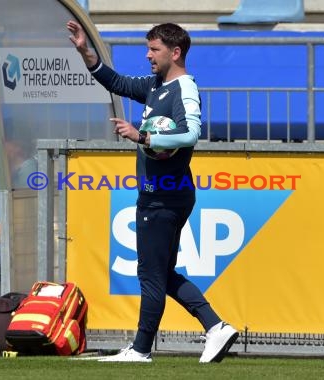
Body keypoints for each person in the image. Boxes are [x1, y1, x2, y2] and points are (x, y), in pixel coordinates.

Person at [66, 20, 239, 363]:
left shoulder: (183, 89)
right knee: (161, 274)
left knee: (150, 275)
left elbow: (190, 134)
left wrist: (143, 136)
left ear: (175, 52)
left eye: (154, 49)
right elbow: (116, 82)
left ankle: (142, 349)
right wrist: (86, 51)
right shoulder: (157, 84)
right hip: (160, 194)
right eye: (148, 49)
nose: (148, 56)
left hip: (164, 195)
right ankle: (215, 327)